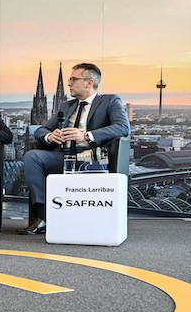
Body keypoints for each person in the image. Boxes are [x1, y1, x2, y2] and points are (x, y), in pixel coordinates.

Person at [18, 63, 130, 235]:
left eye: (73, 79)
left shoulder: (109, 101)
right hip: (63, 157)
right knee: (32, 157)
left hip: (92, 159)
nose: (69, 83)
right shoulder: (66, 106)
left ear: (89, 82)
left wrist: (86, 136)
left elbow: (123, 127)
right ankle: (42, 217)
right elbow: (41, 129)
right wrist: (50, 136)